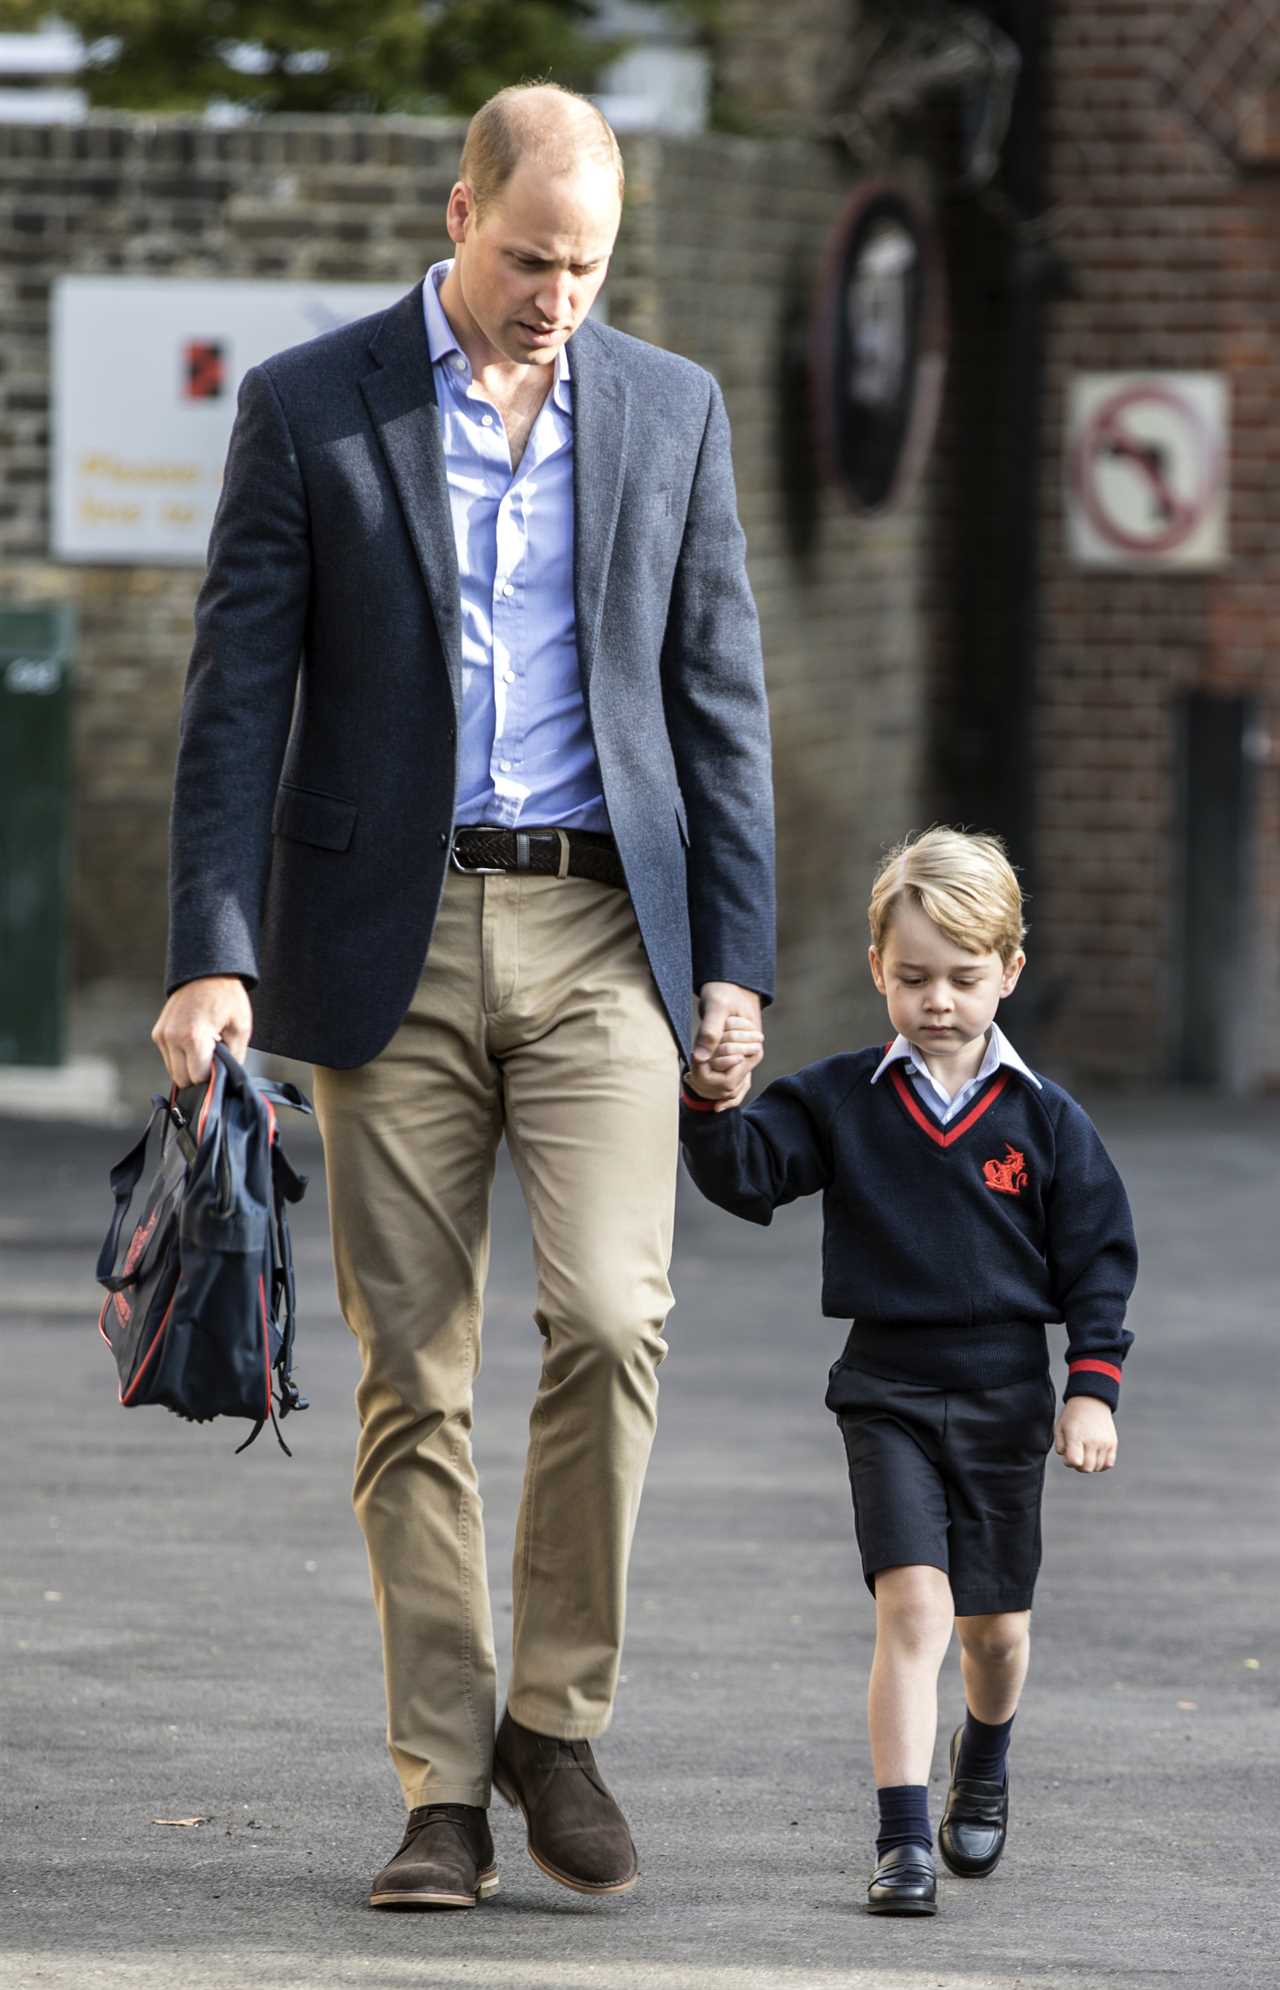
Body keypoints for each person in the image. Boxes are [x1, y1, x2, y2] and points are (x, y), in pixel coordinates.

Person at [151, 82, 773, 1909]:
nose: (553, 297)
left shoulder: (669, 410)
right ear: (458, 213)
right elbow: (233, 701)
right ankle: (443, 1780)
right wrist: (211, 947)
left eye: (586, 266)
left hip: (602, 937)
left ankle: (554, 1724)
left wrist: (733, 960)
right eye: (526, 257)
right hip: (386, 940)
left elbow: (721, 701)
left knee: (612, 1318)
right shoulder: (310, 405)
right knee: (411, 1378)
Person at [679, 826, 1137, 1915]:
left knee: (993, 1633)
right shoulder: (843, 1097)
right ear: (876, 967)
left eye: (964, 978)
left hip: (1002, 1397)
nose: (938, 1000)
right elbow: (745, 1175)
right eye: (913, 976)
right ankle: (900, 1842)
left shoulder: (1043, 1121)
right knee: (913, 1614)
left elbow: (1098, 1259)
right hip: (882, 1388)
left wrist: (1089, 1385)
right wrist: (710, 1098)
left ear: (1008, 972)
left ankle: (981, 1756)